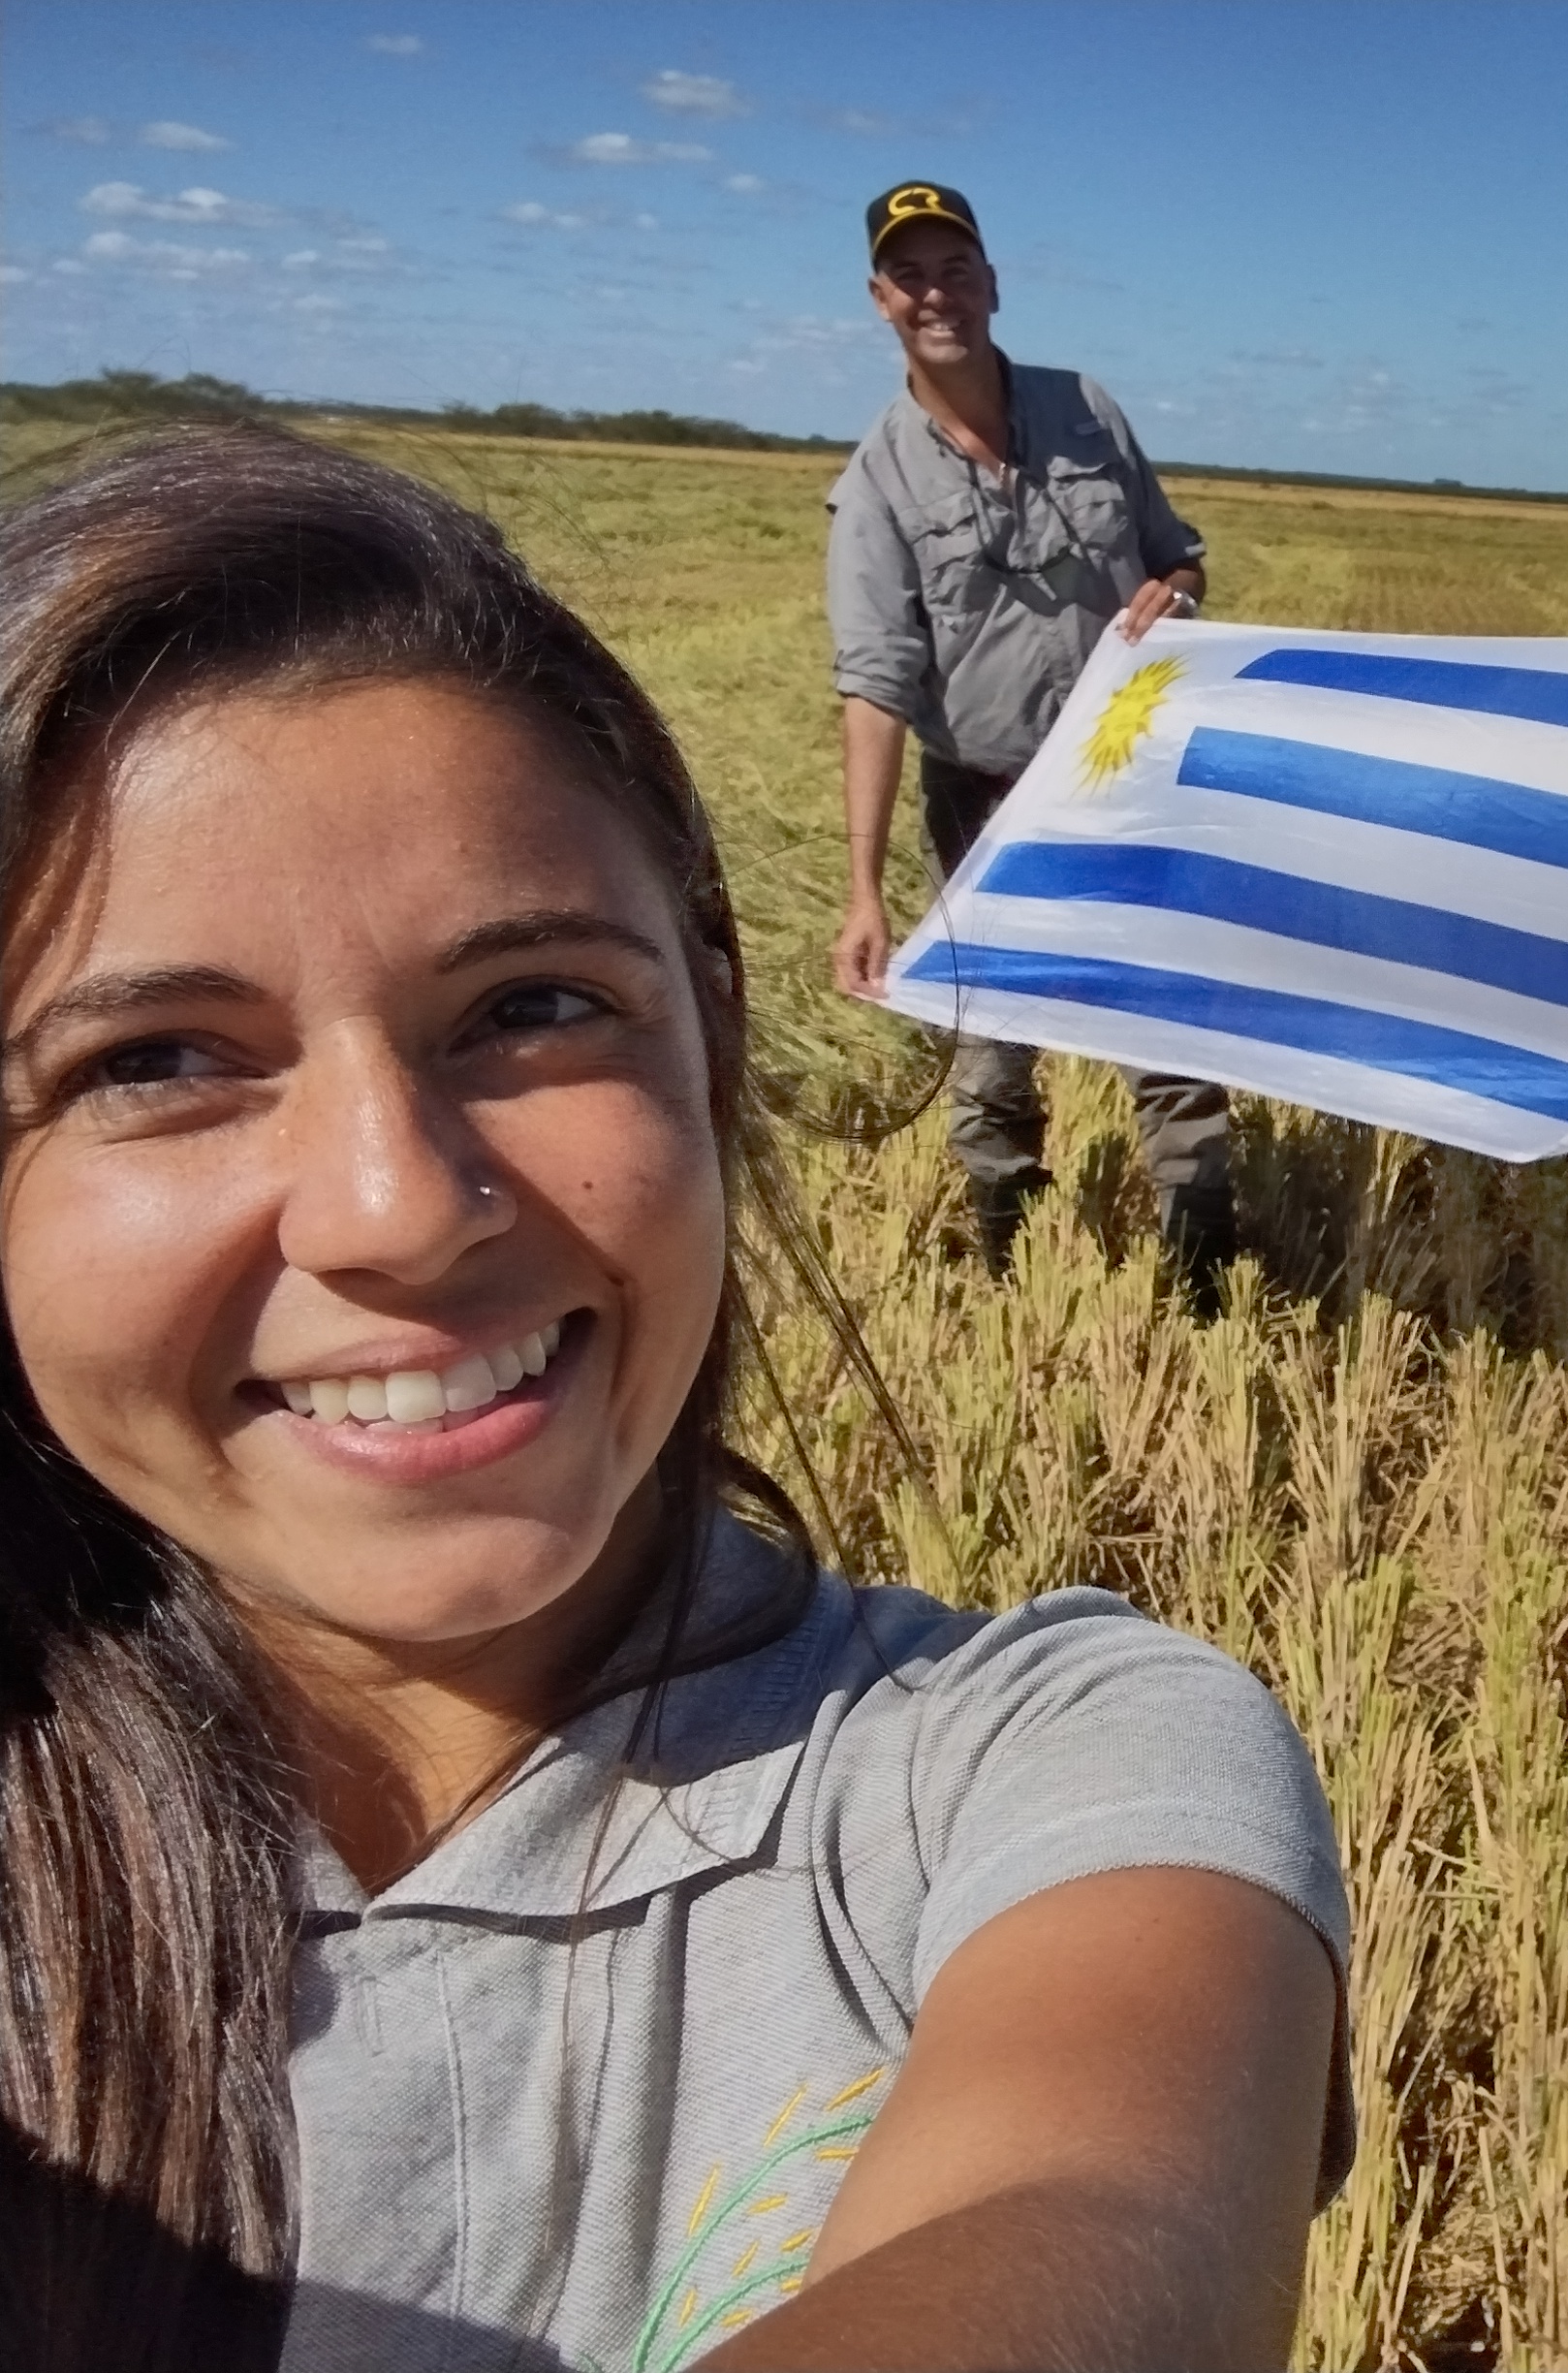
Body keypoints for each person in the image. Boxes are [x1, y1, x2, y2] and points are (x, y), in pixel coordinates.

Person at [0, 425, 1349, 2373]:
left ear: (712, 1031)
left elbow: (1095, 2226)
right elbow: (877, 670)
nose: (397, 1206)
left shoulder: (1056, 1774)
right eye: (158, 1059)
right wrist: (889, 864)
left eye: (531, 1006)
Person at [825, 180, 1236, 1288]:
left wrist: (1179, 596)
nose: (936, 293)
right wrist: (866, 892)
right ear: (880, 299)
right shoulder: (877, 482)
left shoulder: (1088, 410)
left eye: (956, 268)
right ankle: (1002, 1241)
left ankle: (1203, 1252)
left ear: (993, 283)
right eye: (910, 275)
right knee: (993, 1033)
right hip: (988, 799)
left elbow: (1180, 554)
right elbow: (874, 687)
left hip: (1131, 777)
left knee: (1167, 1024)